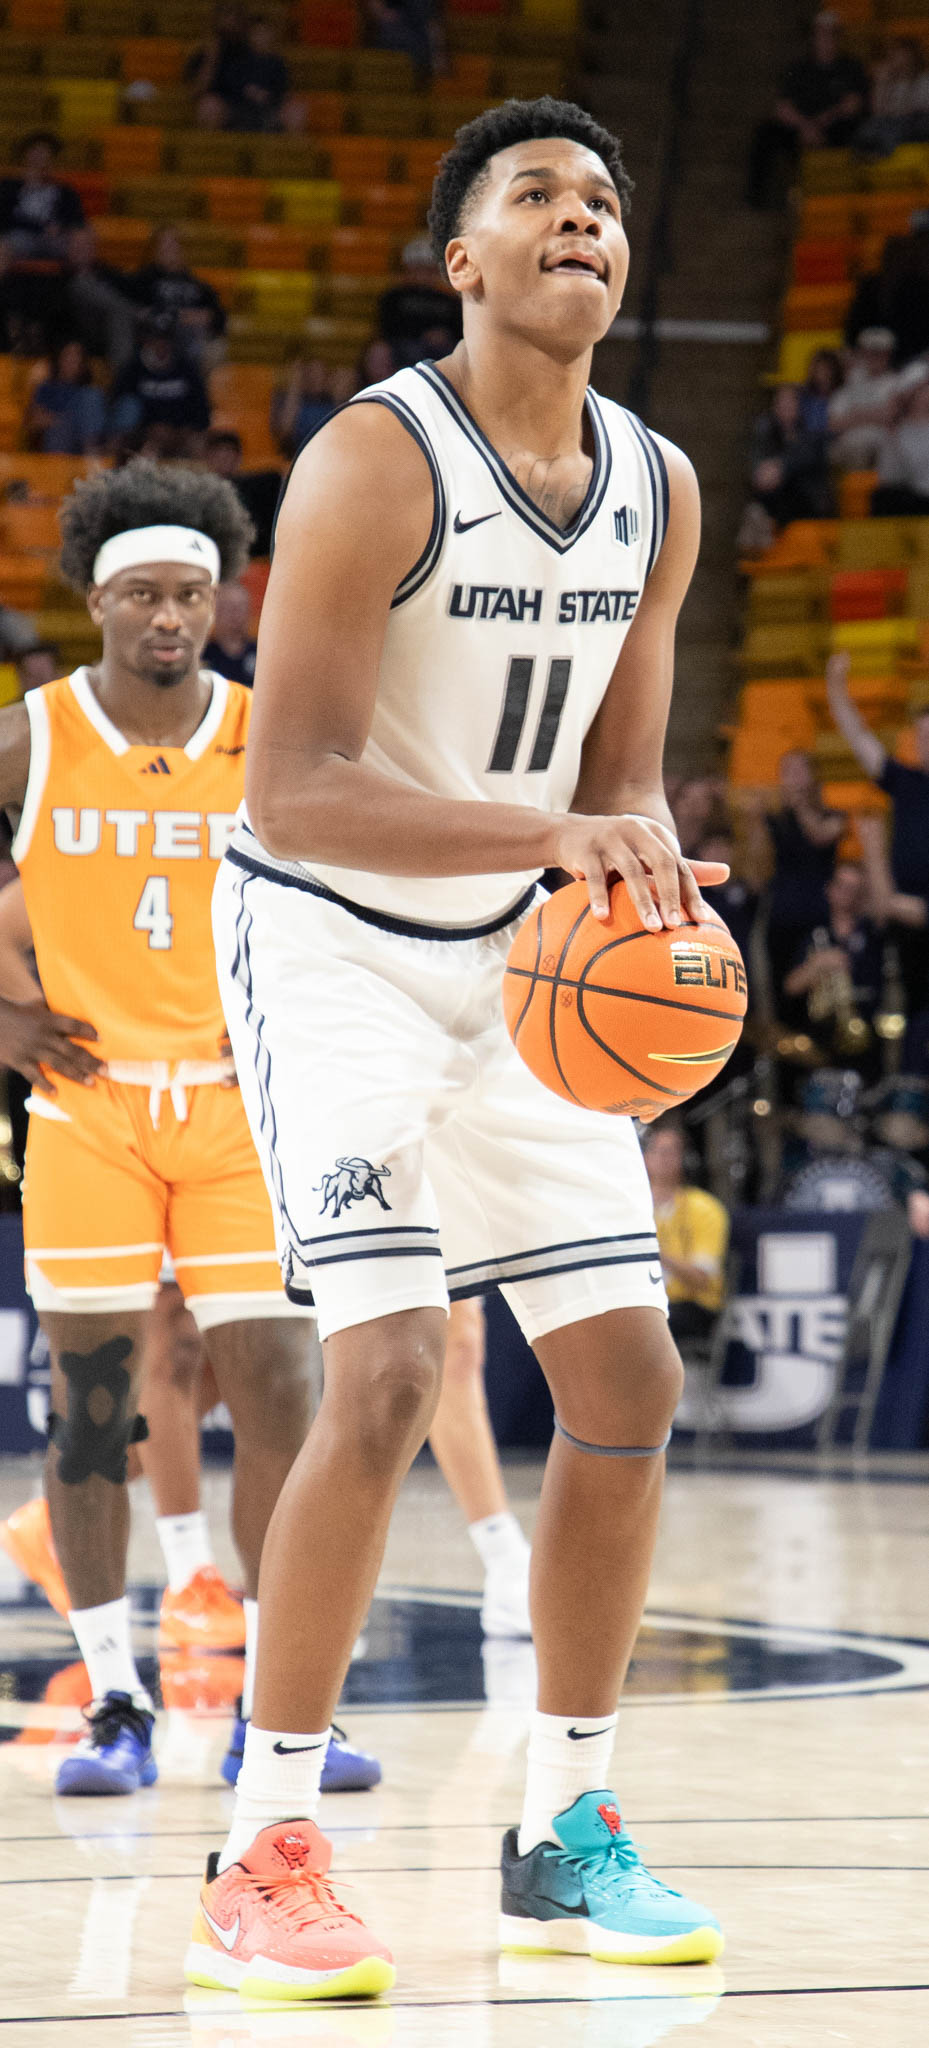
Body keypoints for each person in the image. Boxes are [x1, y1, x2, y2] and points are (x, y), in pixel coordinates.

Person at [195, 95, 726, 2001]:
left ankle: (561, 1835)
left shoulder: (657, 487)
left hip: (520, 961)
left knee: (628, 1369)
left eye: (601, 200)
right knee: (393, 1363)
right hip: (328, 946)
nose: (579, 217)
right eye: (535, 196)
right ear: (464, 261)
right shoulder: (374, 458)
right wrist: (553, 837)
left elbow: (620, 775)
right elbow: (294, 785)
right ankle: (262, 1845)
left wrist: (647, 899)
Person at [0, 459, 379, 1800]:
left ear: (221, 603)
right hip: (90, 1111)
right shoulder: (32, 736)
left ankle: (280, 1713)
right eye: (145, 595)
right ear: (98, 600)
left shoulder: (271, 735)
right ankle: (114, 1698)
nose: (170, 617)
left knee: (281, 1394)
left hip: (237, 1115)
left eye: (192, 595)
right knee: (93, 1413)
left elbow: (347, 904)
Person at [826, 650, 929, 1037]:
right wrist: (836, 689)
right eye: (921, 736)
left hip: (917, 909)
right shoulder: (907, 782)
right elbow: (859, 740)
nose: (925, 743)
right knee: (911, 1017)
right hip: (904, 925)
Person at [747, 10, 869, 210]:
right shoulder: (799, 68)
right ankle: (756, 197)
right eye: (822, 34)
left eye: (832, 34)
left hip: (834, 128)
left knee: (855, 131)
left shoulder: (851, 67)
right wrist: (806, 126)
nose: (827, 39)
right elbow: (783, 107)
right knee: (765, 133)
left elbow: (853, 105)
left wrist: (821, 122)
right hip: (801, 128)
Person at [782, 857, 884, 1071]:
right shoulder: (815, 937)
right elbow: (790, 987)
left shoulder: (874, 936)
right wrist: (818, 964)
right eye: (842, 886)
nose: (848, 894)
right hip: (822, 1041)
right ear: (830, 889)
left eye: (855, 889)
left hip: (868, 1038)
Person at [641, 1121, 729, 1347]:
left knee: (641, 1324)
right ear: (645, 1157)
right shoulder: (634, 1207)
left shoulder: (705, 1208)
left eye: (671, 1152)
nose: (664, 1158)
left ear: (685, 1159)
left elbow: (702, 1279)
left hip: (692, 1305)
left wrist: (655, 1253)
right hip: (645, 1302)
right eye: (658, 1151)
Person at [108, 314, 212, 460]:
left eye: (165, 339)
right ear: (145, 340)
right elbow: (120, 408)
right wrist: (147, 430)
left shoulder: (187, 368)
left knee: (199, 444)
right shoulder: (132, 368)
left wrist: (185, 430)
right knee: (148, 442)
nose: (160, 345)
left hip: (181, 433)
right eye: (155, 339)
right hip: (143, 436)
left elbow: (201, 410)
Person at [129, 228, 227, 373]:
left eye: (175, 243)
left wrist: (207, 317)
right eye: (165, 244)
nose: (171, 249)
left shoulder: (197, 285)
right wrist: (178, 316)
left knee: (216, 347)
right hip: (156, 338)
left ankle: (193, 384)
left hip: (192, 338)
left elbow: (218, 316)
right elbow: (137, 312)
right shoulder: (143, 280)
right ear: (154, 250)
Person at [827, 328, 922, 471]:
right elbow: (833, 423)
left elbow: (891, 416)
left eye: (879, 353)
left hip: (881, 446)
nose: (874, 357)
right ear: (862, 353)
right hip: (847, 445)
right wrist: (874, 414)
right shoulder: (850, 381)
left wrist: (856, 414)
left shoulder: (897, 382)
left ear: (888, 354)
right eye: (870, 352)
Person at [745, 382, 834, 534]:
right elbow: (758, 469)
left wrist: (779, 467)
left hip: (808, 501)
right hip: (777, 499)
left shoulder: (811, 433)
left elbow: (805, 459)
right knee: (756, 507)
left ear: (798, 405)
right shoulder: (768, 434)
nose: (784, 406)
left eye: (789, 401)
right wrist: (764, 472)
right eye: (780, 402)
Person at [377, 237, 463, 371]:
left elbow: (459, 332)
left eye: (427, 270)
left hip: (442, 350)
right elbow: (387, 329)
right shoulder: (394, 297)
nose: (422, 275)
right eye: (417, 269)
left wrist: (444, 335)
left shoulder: (449, 300)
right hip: (402, 347)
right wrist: (420, 335)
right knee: (380, 353)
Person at [61, 224, 137, 372]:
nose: (82, 249)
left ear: (94, 248)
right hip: (79, 333)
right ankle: (123, 376)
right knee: (118, 309)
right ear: (68, 248)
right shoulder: (58, 278)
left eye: (86, 244)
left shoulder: (110, 275)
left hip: (112, 330)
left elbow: (133, 291)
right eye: (77, 244)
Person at [0, 131, 84, 261]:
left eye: (45, 153)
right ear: (25, 155)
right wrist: (29, 186)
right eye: (36, 152)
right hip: (19, 236)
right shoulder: (9, 186)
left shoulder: (64, 190)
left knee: (82, 238)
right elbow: (4, 217)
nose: (40, 158)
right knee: (3, 246)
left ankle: (84, 273)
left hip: (55, 239)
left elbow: (77, 219)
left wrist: (61, 227)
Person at [202, 428, 282, 557]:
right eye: (219, 455)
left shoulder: (261, 488)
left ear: (239, 458)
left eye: (229, 454)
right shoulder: (200, 493)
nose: (224, 460)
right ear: (208, 458)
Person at [26, 340, 108, 456]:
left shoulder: (89, 392)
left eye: (77, 356)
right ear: (59, 359)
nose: (73, 360)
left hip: (84, 437)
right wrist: (63, 420)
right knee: (61, 430)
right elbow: (35, 421)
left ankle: (91, 454)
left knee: (92, 395)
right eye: (68, 355)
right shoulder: (47, 388)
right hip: (59, 437)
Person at [855, 35, 929, 158]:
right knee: (872, 125)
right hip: (891, 121)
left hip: (915, 123)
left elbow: (917, 109)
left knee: (896, 125)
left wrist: (894, 113)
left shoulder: (924, 79)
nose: (893, 59)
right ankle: (864, 151)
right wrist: (881, 83)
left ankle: (880, 152)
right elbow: (877, 112)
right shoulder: (890, 82)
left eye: (898, 54)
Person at [872, 372, 929, 513]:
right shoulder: (896, 432)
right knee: (883, 496)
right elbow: (887, 477)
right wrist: (892, 436)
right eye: (922, 390)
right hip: (913, 494)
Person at [203, 579, 257, 688]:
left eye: (241, 607)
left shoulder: (262, 654)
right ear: (214, 612)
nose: (235, 615)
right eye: (229, 608)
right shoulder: (202, 656)